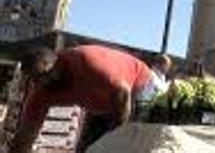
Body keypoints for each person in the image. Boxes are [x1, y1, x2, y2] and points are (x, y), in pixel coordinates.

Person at [9, 45, 154, 153]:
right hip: (101, 101)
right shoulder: (41, 92)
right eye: (33, 79)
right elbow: (25, 135)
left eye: (41, 76)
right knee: (87, 149)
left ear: (53, 64)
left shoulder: (89, 64)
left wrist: (115, 137)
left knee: (127, 144)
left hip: (138, 85)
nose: (38, 83)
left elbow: (123, 95)